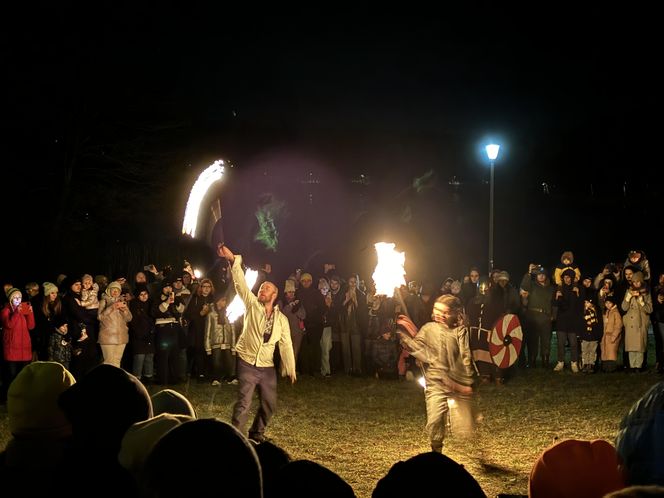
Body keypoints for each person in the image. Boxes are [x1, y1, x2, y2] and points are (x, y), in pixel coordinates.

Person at [219, 243, 297, 443]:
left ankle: (257, 432)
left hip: (267, 366)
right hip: (246, 361)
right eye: (262, 288)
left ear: (274, 295)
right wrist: (234, 260)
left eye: (267, 289)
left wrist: (290, 368)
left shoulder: (281, 320)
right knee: (244, 403)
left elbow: (286, 344)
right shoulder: (252, 305)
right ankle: (235, 439)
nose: (262, 290)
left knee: (269, 404)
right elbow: (240, 284)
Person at [397, 294, 475, 453]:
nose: (439, 314)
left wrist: (466, 381)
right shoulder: (428, 328)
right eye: (436, 310)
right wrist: (406, 339)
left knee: (464, 428)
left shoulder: (459, 331)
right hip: (436, 383)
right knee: (435, 420)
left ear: (452, 313)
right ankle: (436, 451)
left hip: (456, 382)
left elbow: (465, 356)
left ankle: (475, 452)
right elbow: (420, 349)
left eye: (444, 312)